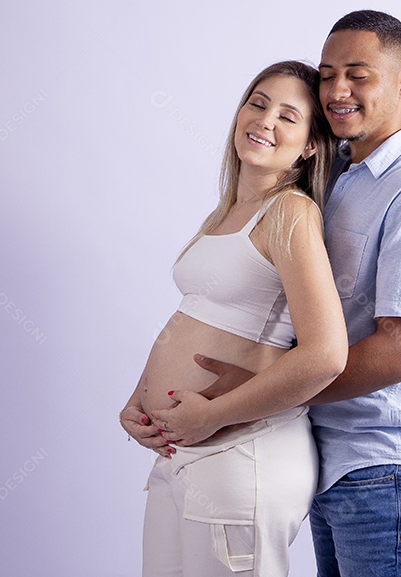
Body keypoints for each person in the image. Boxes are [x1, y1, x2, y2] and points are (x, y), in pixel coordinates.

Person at [193, 10, 401, 577]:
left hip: (393, 459)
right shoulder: (333, 171)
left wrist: (258, 392)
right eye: (326, 75)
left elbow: (400, 349)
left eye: (357, 74)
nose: (336, 91)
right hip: (331, 453)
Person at [119, 60, 348, 577]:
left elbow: (326, 355)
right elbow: (196, 313)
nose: (265, 120)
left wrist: (214, 415)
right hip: (183, 453)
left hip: (242, 453)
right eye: (259, 103)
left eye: (289, 116)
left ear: (311, 144)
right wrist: (141, 398)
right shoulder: (225, 215)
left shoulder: (290, 212)